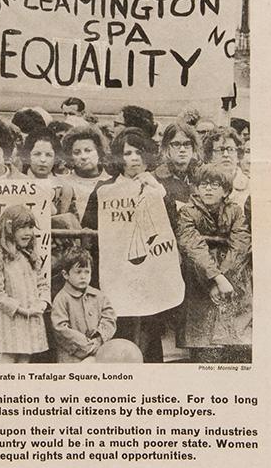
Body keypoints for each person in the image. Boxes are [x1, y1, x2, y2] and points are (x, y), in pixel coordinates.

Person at [82, 128, 178, 363]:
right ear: (119, 157)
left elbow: (172, 228)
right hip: (116, 274)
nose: (133, 158)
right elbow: (89, 228)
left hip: (150, 273)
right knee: (121, 330)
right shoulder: (104, 189)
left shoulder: (159, 188)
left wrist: (160, 194)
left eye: (138, 152)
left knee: (149, 330)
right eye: (127, 153)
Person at [176, 164, 252, 362]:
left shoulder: (235, 211)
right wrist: (216, 278)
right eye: (204, 184)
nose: (208, 189)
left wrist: (225, 276)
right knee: (204, 345)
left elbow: (240, 244)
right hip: (200, 279)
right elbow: (193, 247)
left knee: (237, 341)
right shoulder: (187, 212)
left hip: (234, 276)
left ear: (226, 190)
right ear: (197, 188)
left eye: (215, 185)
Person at [0, 204, 50, 363]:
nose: (27, 232)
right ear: (9, 229)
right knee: (6, 366)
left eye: (30, 227)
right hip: (7, 324)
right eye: (21, 228)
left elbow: (42, 283)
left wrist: (41, 303)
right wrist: (20, 309)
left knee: (24, 364)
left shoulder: (31, 255)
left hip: (29, 321)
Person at [50, 247, 116, 363]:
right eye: (78, 272)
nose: (83, 276)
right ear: (66, 274)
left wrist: (99, 339)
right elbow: (60, 328)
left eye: (87, 272)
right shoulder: (62, 299)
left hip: (98, 352)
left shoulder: (99, 296)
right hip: (72, 358)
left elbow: (109, 318)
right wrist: (87, 346)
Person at [19, 128, 76, 216]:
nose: (43, 160)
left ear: (55, 158)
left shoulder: (64, 189)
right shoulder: (17, 183)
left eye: (48, 155)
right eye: (37, 154)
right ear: (28, 156)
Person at [62, 124, 111, 221]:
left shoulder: (111, 181)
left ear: (99, 152)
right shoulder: (64, 183)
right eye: (77, 152)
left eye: (88, 151)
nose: (83, 157)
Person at [155, 120, 201, 206]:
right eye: (176, 144)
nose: (182, 149)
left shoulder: (202, 175)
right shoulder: (156, 179)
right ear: (167, 148)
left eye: (187, 144)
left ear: (193, 147)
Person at [203, 128, 249, 211]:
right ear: (210, 157)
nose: (226, 155)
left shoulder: (250, 187)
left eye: (231, 149)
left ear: (238, 155)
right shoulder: (202, 187)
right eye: (220, 150)